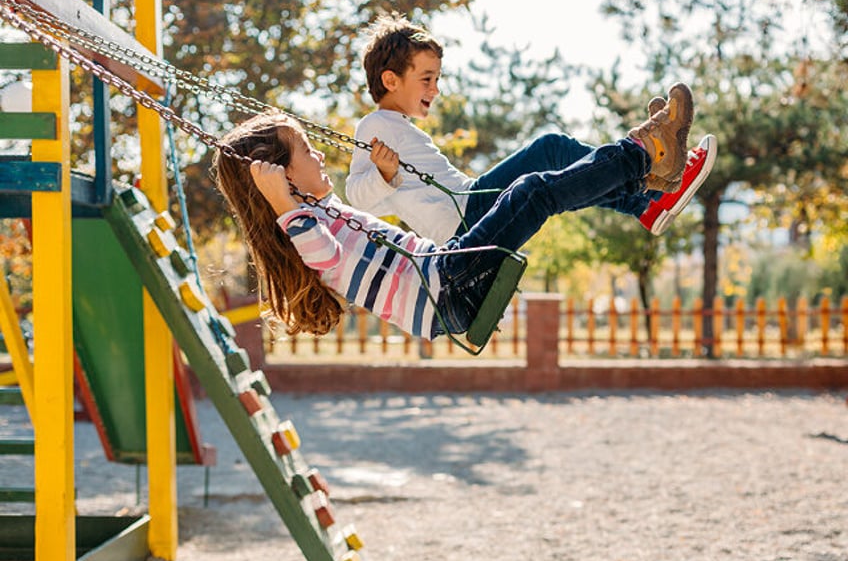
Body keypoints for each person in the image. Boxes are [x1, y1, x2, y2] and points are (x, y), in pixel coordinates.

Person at [214, 92, 697, 341]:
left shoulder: (314, 213)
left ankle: (645, 176)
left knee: (532, 188)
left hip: (444, 272)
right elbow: (327, 255)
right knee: (530, 192)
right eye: (304, 149)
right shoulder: (303, 228)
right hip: (444, 288)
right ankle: (640, 157)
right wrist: (281, 204)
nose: (318, 154)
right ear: (283, 177)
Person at [346, 12, 716, 242]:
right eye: (426, 78)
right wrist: (382, 173)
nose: (435, 89)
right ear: (391, 80)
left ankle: (647, 201)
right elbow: (357, 199)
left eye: (438, 78)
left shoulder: (395, 125)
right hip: (466, 218)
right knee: (551, 149)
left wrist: (388, 177)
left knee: (557, 168)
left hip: (468, 207)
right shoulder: (375, 125)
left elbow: (386, 198)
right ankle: (651, 188)